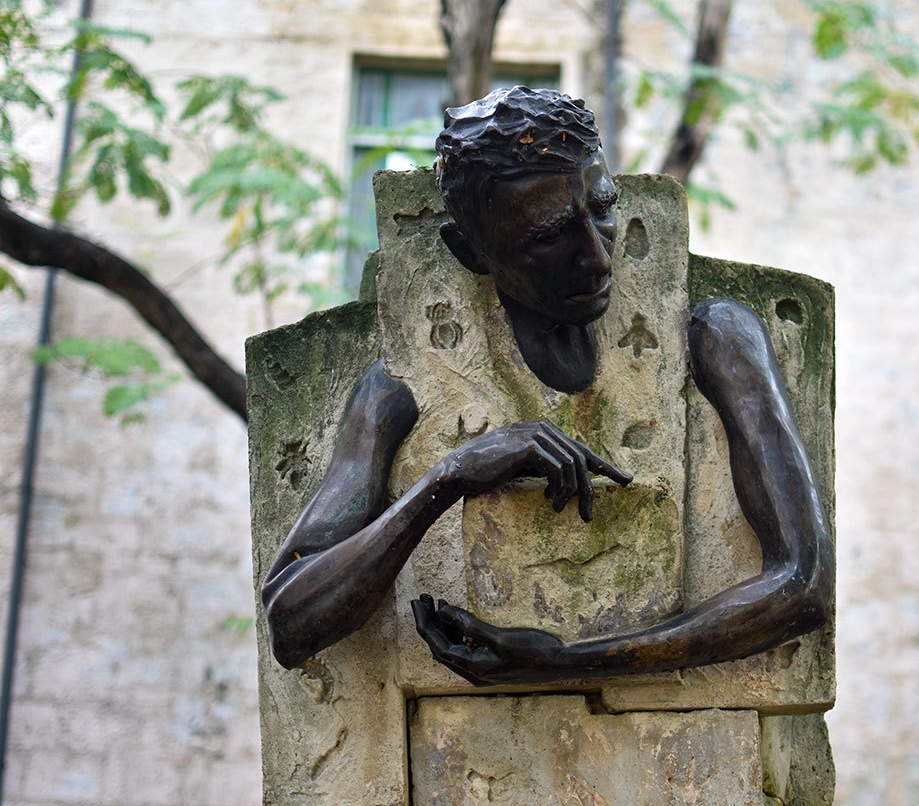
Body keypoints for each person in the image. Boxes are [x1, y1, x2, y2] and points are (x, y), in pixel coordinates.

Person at [261, 86, 833, 685]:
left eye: (603, 208)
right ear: (472, 252)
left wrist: (563, 662)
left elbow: (804, 587)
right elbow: (291, 620)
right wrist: (449, 476)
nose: (596, 259)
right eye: (548, 235)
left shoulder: (715, 336)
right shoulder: (402, 388)